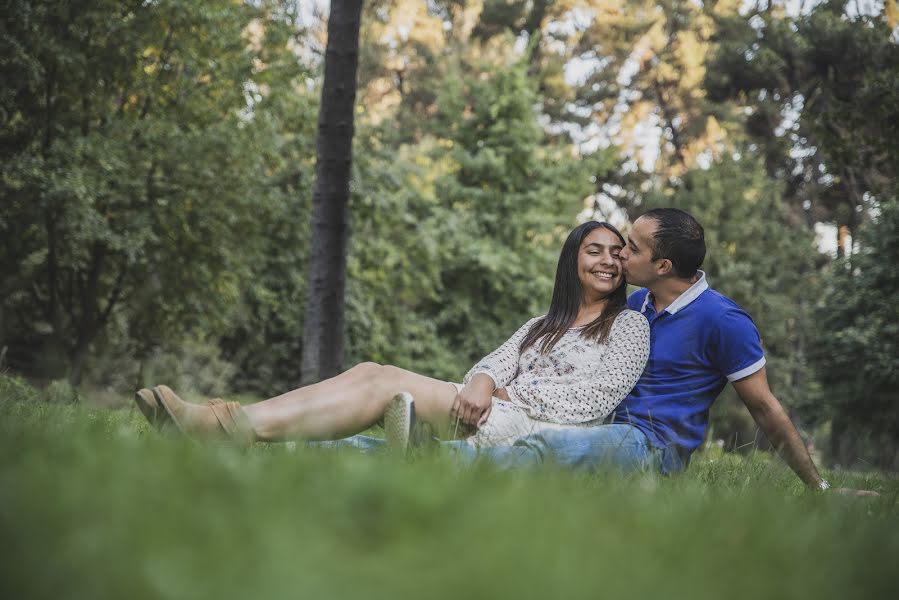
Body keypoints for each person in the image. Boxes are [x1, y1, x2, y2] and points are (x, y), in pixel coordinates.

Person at [134, 221, 650, 453]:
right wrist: (488, 379)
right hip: (491, 408)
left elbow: (598, 398)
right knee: (369, 373)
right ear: (572, 261)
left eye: (614, 252)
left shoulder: (629, 325)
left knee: (384, 383)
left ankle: (221, 426)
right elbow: (488, 365)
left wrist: (503, 390)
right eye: (593, 250)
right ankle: (228, 425)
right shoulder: (545, 323)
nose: (607, 260)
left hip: (532, 430)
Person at [459, 209, 841, 490]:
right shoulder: (635, 302)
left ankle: (445, 461)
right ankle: (421, 440)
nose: (620, 253)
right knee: (496, 422)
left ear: (662, 265)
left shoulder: (724, 321)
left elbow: (765, 407)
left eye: (632, 248)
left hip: (647, 444)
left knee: (546, 447)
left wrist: (818, 486)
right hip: (592, 419)